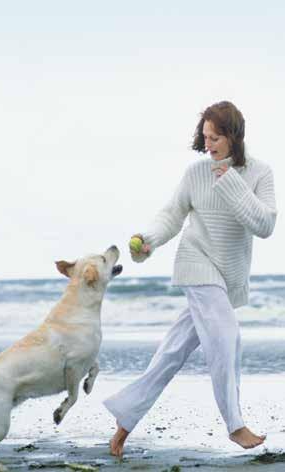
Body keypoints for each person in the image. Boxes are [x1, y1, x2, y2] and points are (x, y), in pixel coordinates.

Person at [103, 101, 277, 456]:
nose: (209, 145)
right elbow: (172, 214)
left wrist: (230, 182)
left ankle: (122, 426)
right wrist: (148, 240)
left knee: (170, 353)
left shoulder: (260, 173)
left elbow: (265, 225)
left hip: (228, 277)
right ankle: (235, 425)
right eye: (206, 137)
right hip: (197, 263)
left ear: (234, 136)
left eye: (216, 138)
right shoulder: (195, 173)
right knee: (226, 336)